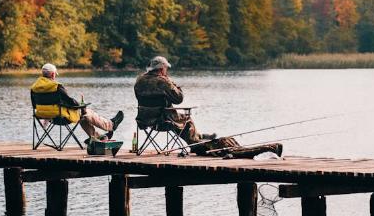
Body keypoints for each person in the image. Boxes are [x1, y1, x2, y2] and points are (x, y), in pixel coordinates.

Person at [134, 56, 282, 158]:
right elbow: (179, 99)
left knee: (181, 122)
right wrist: (173, 83)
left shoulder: (139, 80)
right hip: (163, 120)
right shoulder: (163, 81)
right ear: (161, 69)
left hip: (145, 121)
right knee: (187, 120)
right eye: (166, 69)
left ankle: (200, 138)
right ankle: (197, 143)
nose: (167, 71)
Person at [31, 63, 123, 142]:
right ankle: (111, 125)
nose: (55, 76)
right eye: (55, 74)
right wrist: (80, 105)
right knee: (86, 113)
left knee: (83, 116)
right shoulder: (56, 86)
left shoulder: (34, 87)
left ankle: (98, 137)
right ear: (52, 74)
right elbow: (70, 101)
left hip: (44, 116)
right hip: (60, 117)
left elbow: (34, 105)